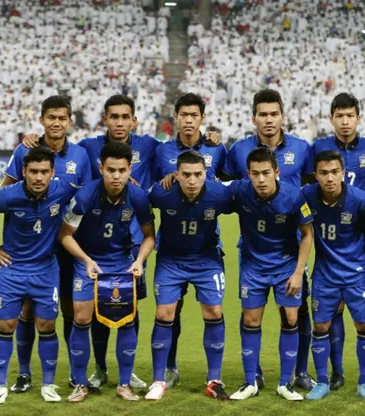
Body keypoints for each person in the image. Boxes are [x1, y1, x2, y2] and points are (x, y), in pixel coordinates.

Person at [20, 94, 223, 390]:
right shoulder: (88, 147)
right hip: (95, 241)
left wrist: (209, 138)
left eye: (125, 117)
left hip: (135, 244)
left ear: (134, 120)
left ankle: (137, 371)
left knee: (130, 308)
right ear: (105, 119)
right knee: (88, 310)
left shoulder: (150, 146)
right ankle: (99, 369)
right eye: (113, 116)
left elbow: (184, 154)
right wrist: (35, 140)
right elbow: (60, 149)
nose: (119, 122)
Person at [0, 96, 91, 394]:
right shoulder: (25, 150)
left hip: (68, 243)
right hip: (32, 249)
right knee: (27, 309)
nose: (56, 123)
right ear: (42, 120)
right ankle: (25, 374)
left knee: (69, 309)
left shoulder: (80, 155)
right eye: (51, 117)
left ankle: (74, 374)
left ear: (70, 122)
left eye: (62, 118)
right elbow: (3, 194)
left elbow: (87, 197)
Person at [222, 88, 316, 391]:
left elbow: (311, 186)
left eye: (274, 113)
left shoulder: (301, 149)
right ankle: (256, 373)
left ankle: (300, 371)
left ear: (282, 116)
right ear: (254, 118)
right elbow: (225, 185)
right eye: (263, 114)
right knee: (251, 309)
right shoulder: (238, 150)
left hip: (292, 247)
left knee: (297, 311)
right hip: (253, 246)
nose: (269, 119)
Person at [0, 147, 79, 404]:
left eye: (44, 171)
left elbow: (90, 193)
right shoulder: (8, 195)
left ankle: (48, 385)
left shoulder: (63, 189)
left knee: (46, 326)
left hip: (46, 269)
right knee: (5, 326)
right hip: (12, 269)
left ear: (52, 172)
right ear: (24, 172)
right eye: (33, 171)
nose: (38, 177)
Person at [58, 140, 156, 402]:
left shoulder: (138, 197)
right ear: (101, 168)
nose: (116, 176)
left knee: (126, 320)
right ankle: (81, 384)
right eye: (111, 170)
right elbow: (65, 235)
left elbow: (149, 236)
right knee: (81, 318)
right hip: (88, 261)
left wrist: (139, 260)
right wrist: (86, 259)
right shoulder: (85, 197)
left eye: (122, 170)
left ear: (129, 169)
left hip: (121, 263)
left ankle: (124, 384)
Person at [311, 93, 365, 391]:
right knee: (333, 310)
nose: (345, 122)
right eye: (339, 116)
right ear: (331, 119)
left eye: (350, 116)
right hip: (330, 243)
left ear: (359, 118)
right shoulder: (318, 148)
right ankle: (337, 371)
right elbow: (308, 186)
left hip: (361, 243)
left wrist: (363, 208)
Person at [144, 150, 235, 401]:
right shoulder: (162, 193)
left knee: (213, 312)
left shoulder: (219, 193)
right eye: (186, 175)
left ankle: (214, 380)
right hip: (171, 260)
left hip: (207, 259)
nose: (192, 181)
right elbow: (139, 199)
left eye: (197, 174)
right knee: (164, 313)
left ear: (206, 174)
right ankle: (158, 380)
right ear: (176, 175)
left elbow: (246, 197)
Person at [152, 93, 229, 388]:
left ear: (202, 118)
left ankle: (214, 376)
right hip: (171, 249)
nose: (188, 120)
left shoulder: (216, 148)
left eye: (194, 115)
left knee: (211, 310)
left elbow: (230, 183)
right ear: (175, 117)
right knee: (170, 311)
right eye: (183, 115)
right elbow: (152, 190)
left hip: (206, 247)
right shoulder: (161, 151)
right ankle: (169, 368)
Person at [301, 150, 365, 402]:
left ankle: (364, 383)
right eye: (324, 173)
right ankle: (322, 382)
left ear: (343, 173)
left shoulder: (360, 199)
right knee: (321, 326)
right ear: (316, 175)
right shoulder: (306, 196)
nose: (330, 178)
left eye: (335, 172)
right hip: (325, 274)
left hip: (357, 273)